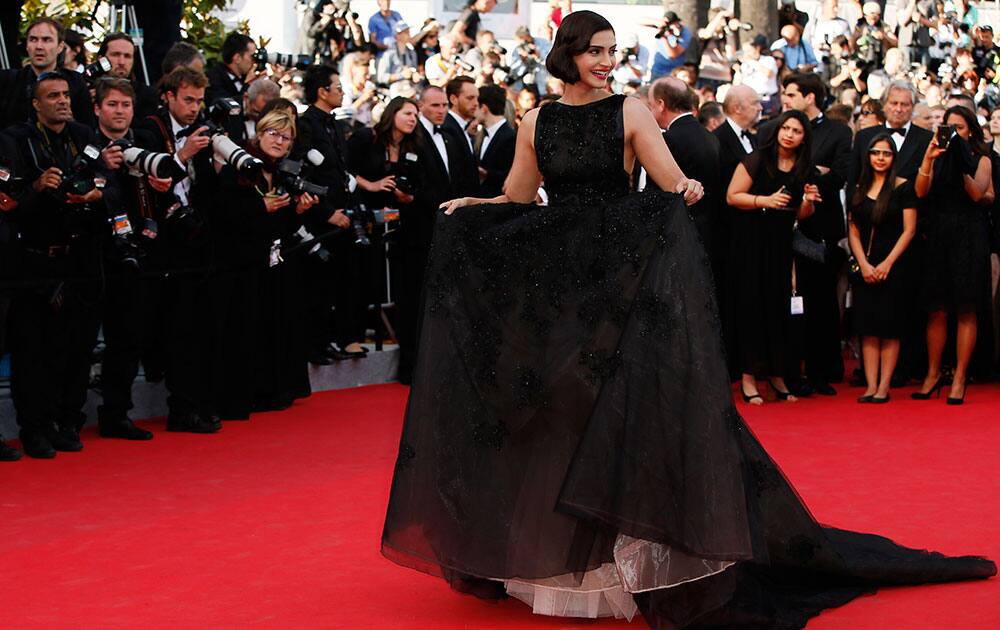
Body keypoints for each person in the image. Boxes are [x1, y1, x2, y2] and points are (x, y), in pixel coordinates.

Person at [382, 10, 996, 627]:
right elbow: (519, 197)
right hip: (561, 296)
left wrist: (691, 191)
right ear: (566, 52)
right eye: (595, 50)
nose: (605, 61)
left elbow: (670, 182)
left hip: (620, 292)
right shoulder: (535, 120)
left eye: (612, 51)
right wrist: (474, 206)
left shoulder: (629, 111)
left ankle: (635, 568)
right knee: (562, 419)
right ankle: (573, 570)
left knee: (623, 419)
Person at [4, 72, 106, 458]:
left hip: (77, 259)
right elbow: (7, 202)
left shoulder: (83, 135)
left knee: (74, 349)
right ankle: (34, 429)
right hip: (32, 262)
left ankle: (67, 421)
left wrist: (96, 195)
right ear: (35, 103)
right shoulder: (15, 140)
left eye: (66, 94)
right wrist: (37, 187)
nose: (62, 101)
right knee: (32, 352)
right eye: (53, 96)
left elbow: (107, 183)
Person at [213, 110, 318, 416]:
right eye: (273, 133)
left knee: (277, 324)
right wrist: (260, 207)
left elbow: (283, 224)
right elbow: (222, 212)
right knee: (246, 329)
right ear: (259, 134)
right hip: (242, 264)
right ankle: (245, 395)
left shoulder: (285, 170)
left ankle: (275, 389)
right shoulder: (240, 167)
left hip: (275, 263)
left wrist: (297, 211)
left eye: (285, 137)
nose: (279, 141)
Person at [760, 73, 853, 396]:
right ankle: (785, 370)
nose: (785, 98)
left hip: (820, 230)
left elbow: (840, 175)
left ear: (810, 97)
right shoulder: (774, 129)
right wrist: (814, 173)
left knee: (822, 302)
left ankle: (820, 371)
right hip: (781, 228)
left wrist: (808, 176)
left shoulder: (839, 131)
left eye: (791, 94)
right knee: (785, 302)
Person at [727, 110, 821, 404]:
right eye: (786, 128)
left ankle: (777, 375)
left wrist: (808, 201)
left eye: (796, 130)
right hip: (752, 243)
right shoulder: (757, 158)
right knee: (752, 306)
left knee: (779, 309)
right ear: (777, 130)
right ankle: (749, 377)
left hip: (782, 245)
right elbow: (732, 196)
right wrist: (764, 201)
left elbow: (802, 215)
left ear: (804, 137)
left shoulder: (804, 168)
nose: (789, 134)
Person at [912, 105, 994, 404]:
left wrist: (960, 162)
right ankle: (933, 374)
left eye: (959, 128)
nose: (954, 134)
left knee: (966, 308)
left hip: (969, 237)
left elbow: (978, 194)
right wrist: (929, 158)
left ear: (970, 130)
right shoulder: (936, 155)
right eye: (949, 128)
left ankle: (959, 376)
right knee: (936, 308)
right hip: (938, 235)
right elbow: (921, 191)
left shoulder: (981, 158)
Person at [848, 133, 918, 403]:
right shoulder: (859, 187)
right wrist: (865, 265)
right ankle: (870, 385)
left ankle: (883, 387)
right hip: (865, 266)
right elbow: (852, 230)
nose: (880, 158)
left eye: (886, 154)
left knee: (890, 327)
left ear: (893, 157)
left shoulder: (903, 187)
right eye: (876, 153)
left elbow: (909, 230)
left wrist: (887, 263)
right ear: (868, 156)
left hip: (895, 266)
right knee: (867, 326)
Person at [0, 18, 95, 130]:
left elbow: (89, 130)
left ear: (60, 47)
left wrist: (70, 123)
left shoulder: (75, 81)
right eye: (33, 39)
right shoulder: (8, 80)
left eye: (46, 40)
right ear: (26, 45)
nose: (39, 46)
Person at [474, 84, 515, 198]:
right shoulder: (480, 136)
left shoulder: (510, 137)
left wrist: (486, 174)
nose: (473, 110)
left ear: (484, 108)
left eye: (476, 106)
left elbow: (512, 176)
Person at [205, 32, 259, 107]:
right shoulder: (214, 77)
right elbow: (223, 107)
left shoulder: (244, 76)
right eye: (252, 56)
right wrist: (247, 86)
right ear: (237, 58)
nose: (254, 61)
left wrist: (273, 80)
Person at [650, 11, 692, 80]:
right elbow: (639, 21)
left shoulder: (685, 32)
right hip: (657, 70)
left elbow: (673, 55)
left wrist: (664, 38)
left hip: (674, 72)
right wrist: (658, 23)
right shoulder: (661, 26)